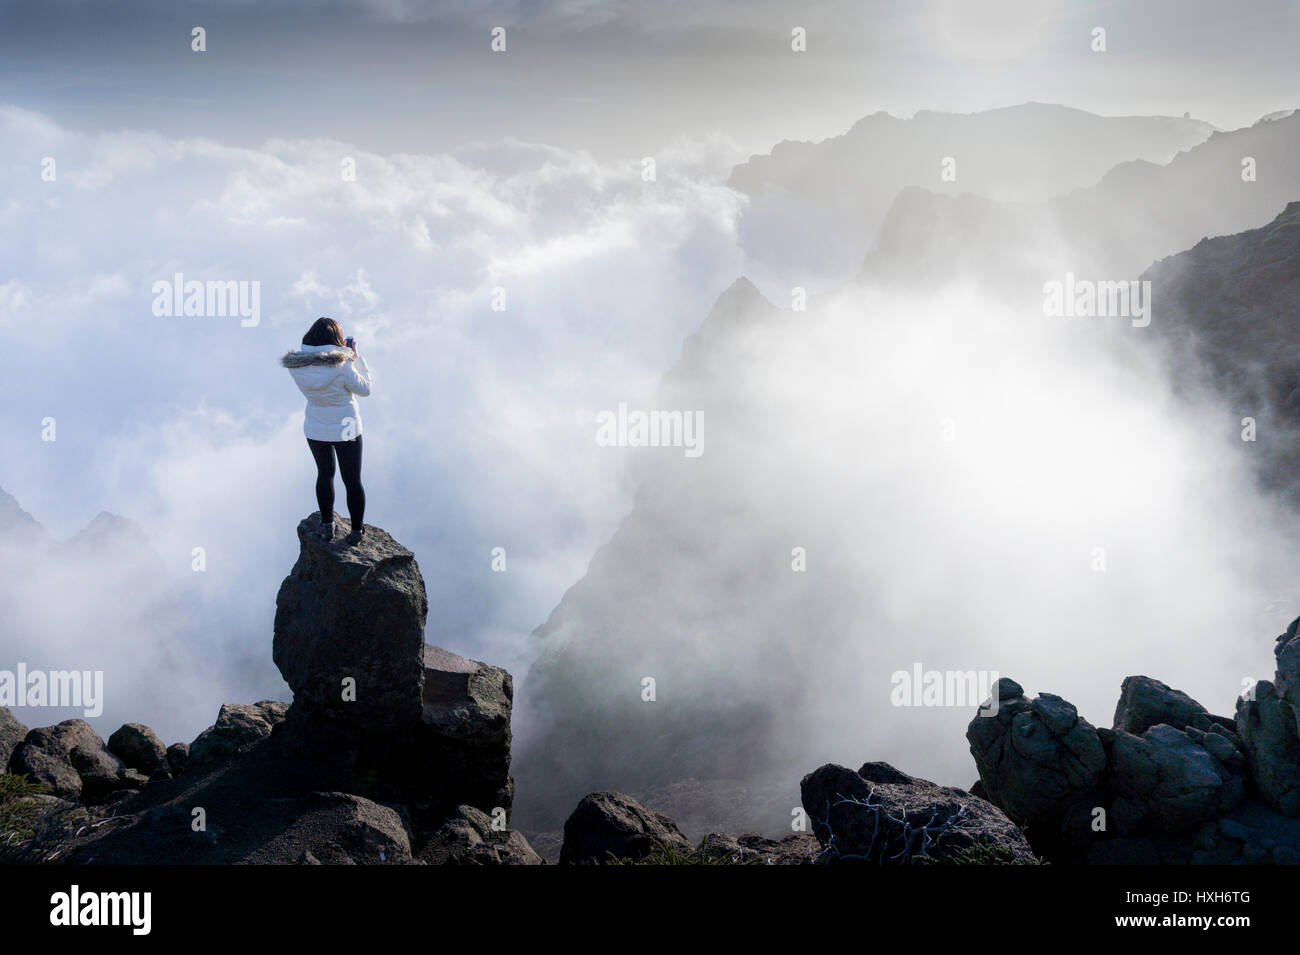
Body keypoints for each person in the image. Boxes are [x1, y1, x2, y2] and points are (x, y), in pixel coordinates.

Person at [280, 317, 372, 544]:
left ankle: (326, 525)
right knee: (352, 481)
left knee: (325, 474)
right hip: (347, 428)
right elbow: (365, 389)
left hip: (315, 427)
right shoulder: (342, 365)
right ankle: (356, 531)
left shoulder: (297, 367)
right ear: (336, 340)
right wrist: (355, 358)